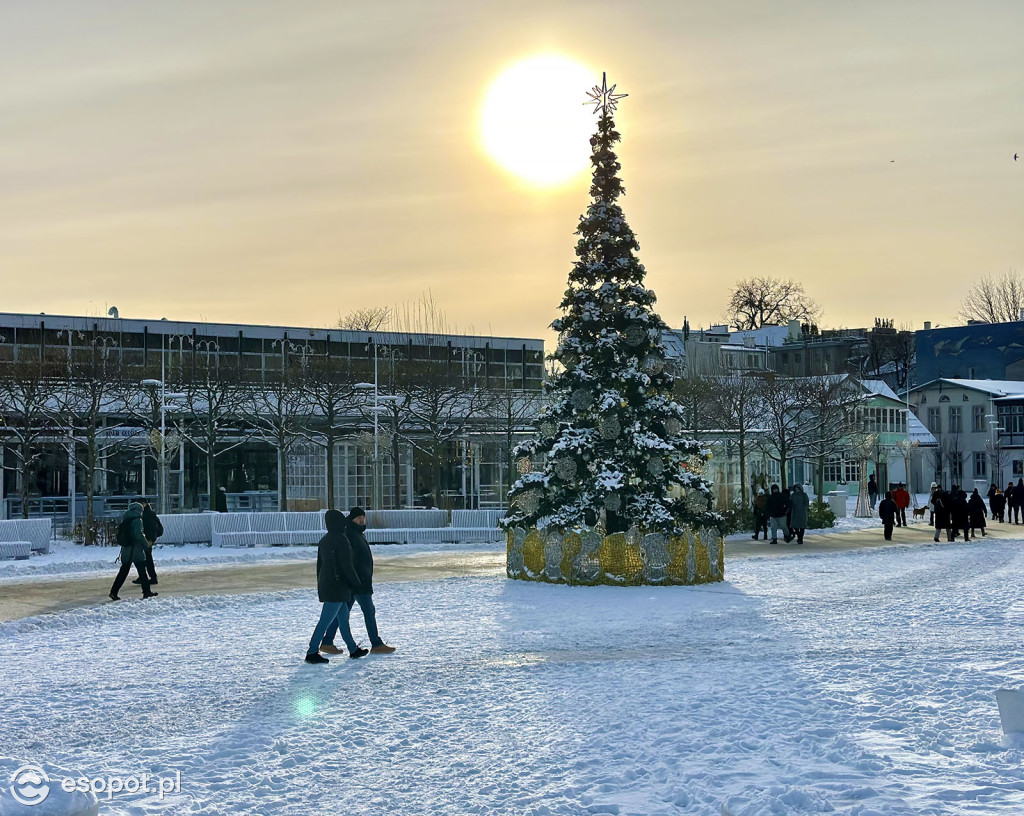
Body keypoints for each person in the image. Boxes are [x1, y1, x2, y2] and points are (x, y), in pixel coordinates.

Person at [321, 508, 396, 656]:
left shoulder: (356, 533)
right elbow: (348, 559)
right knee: (368, 611)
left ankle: (327, 642)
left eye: (363, 517)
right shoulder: (350, 534)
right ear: (352, 519)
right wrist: (356, 578)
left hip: (358, 581)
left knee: (342, 614)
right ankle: (376, 643)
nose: (361, 520)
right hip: (358, 582)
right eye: (358, 518)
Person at [304, 509, 367, 664]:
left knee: (343, 619)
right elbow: (347, 565)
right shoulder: (341, 539)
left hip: (330, 585)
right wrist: (357, 583)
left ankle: (353, 649)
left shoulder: (325, 539)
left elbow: (320, 565)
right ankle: (312, 652)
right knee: (325, 621)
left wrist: (321, 584)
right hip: (338, 587)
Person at [109, 502, 157, 601]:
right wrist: (145, 544)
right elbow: (138, 534)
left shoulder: (127, 518)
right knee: (142, 571)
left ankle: (113, 592)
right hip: (136, 550)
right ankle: (146, 592)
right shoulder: (137, 520)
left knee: (123, 571)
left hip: (126, 549)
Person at [132, 497, 162, 586]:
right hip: (145, 539)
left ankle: (151, 577)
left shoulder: (148, 514)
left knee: (146, 558)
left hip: (147, 539)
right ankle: (145, 576)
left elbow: (152, 528)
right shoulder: (145, 513)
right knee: (144, 558)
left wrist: (150, 540)